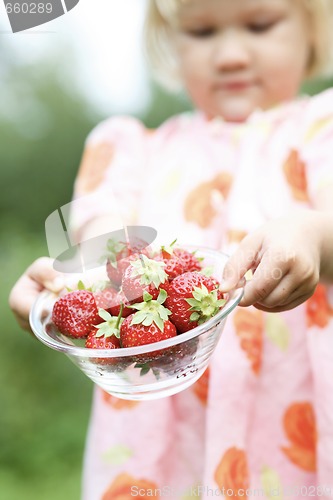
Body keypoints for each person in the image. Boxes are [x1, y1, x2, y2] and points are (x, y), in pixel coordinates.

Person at [9, 0, 333, 497]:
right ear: (169, 40)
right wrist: (67, 290)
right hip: (156, 421)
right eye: (202, 33)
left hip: (293, 406)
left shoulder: (321, 129)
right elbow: (102, 248)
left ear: (314, 28)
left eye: (260, 24)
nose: (228, 55)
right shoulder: (132, 149)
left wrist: (311, 234)